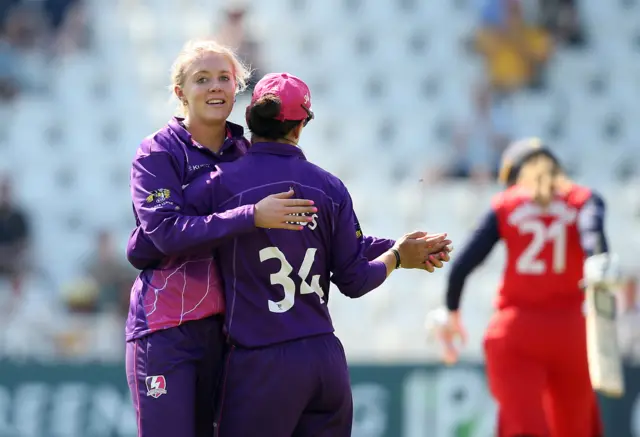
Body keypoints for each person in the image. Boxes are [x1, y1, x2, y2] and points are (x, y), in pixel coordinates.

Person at [125, 40, 451, 437]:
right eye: (202, 79)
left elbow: (326, 237)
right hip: (168, 325)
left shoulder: (242, 156)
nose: (214, 87)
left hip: (226, 334)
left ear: (239, 93)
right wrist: (250, 216)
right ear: (180, 92)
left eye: (224, 78)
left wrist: (395, 248)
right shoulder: (158, 151)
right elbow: (158, 235)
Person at [429, 138, 611, 437]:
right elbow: (595, 243)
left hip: (516, 334)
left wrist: (452, 312)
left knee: (523, 430)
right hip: (572, 335)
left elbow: (461, 267)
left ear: (515, 176)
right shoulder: (585, 199)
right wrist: (598, 262)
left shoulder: (505, 204)